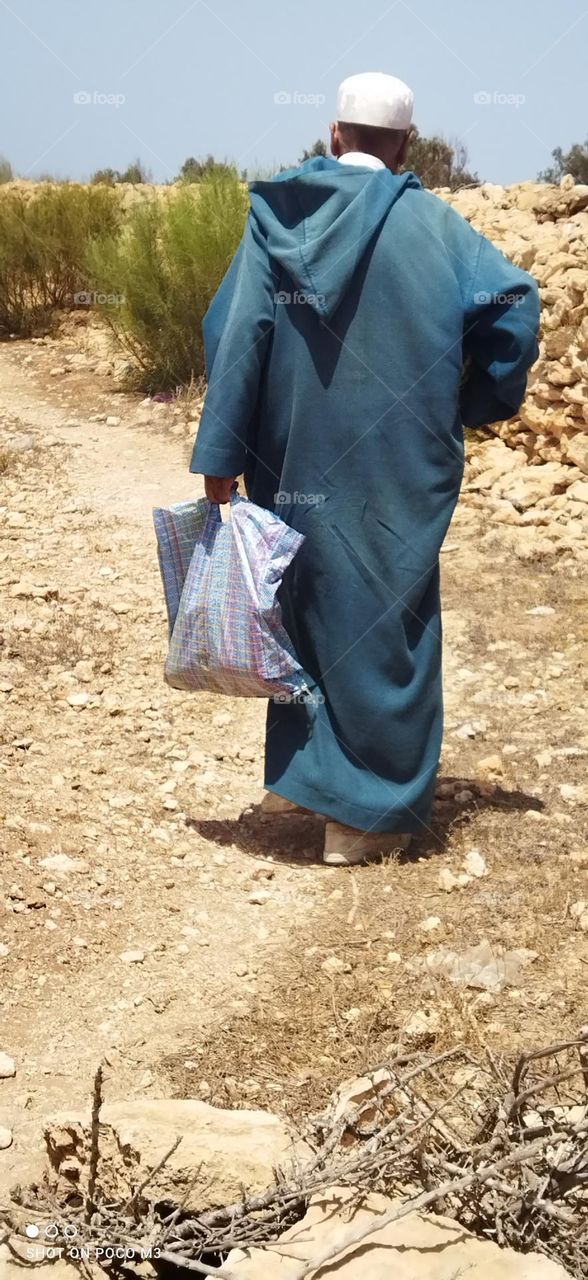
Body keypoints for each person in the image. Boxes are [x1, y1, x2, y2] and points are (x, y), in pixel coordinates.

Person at [190, 71, 540, 866]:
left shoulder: (278, 218)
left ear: (334, 134)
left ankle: (316, 781)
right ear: (405, 145)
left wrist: (221, 455)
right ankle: (365, 817)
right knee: (389, 613)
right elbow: (514, 307)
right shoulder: (437, 227)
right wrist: (477, 399)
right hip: (404, 455)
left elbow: (237, 330)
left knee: (306, 600)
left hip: (294, 449)